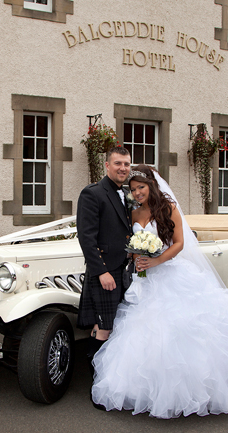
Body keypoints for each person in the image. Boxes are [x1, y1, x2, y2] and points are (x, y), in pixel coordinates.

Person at [91, 164, 228, 418]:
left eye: (141, 187)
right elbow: (131, 243)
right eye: (133, 189)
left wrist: (157, 260)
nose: (137, 193)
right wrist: (138, 256)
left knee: (179, 329)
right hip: (145, 280)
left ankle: (190, 390)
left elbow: (179, 243)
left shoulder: (168, 208)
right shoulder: (134, 213)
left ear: (152, 185)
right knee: (144, 332)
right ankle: (144, 390)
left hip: (171, 272)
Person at [77, 146, 132, 389]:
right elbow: (86, 238)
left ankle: (112, 379)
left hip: (126, 271)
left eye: (126, 164)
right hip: (106, 272)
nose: (123, 168)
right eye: (118, 163)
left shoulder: (128, 193)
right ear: (107, 165)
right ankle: (99, 386)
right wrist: (102, 272)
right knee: (104, 328)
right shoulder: (93, 193)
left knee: (116, 325)